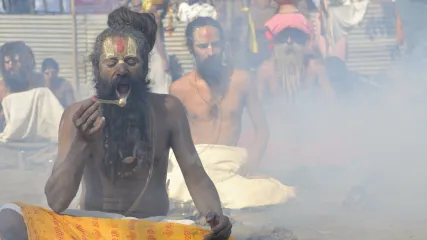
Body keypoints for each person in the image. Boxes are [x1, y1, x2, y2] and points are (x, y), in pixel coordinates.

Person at [0, 8, 231, 240]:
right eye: (111, 62)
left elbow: (195, 174)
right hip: (92, 227)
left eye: (131, 61)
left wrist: (215, 216)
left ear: (144, 69)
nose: (121, 70)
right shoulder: (77, 115)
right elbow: (57, 201)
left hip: (151, 229)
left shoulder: (168, 110)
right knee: (9, 218)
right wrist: (82, 142)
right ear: (96, 68)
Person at [168, 17, 295, 210]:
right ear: (191, 47)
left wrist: (253, 162)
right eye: (203, 46)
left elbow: (262, 129)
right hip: (196, 165)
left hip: (231, 163)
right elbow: (172, 139)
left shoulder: (242, 80)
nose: (211, 52)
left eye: (216, 45)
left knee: (272, 193)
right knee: (179, 189)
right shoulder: (179, 89)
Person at [257, 13, 334, 104]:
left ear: (306, 41)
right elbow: (257, 104)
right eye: (283, 36)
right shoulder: (266, 70)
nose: (290, 41)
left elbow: (331, 100)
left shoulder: (315, 68)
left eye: (296, 35)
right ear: (275, 42)